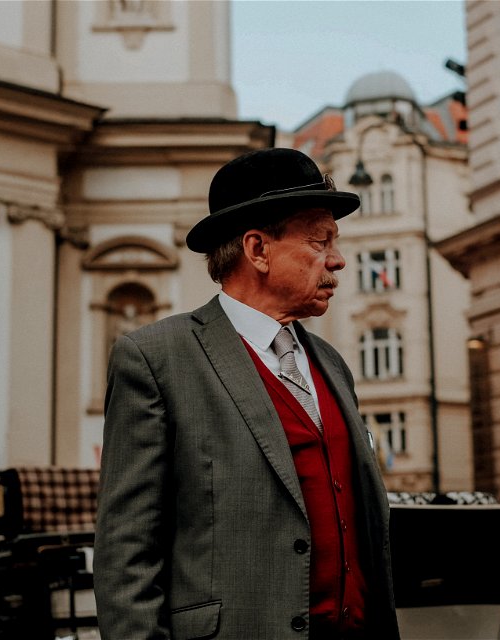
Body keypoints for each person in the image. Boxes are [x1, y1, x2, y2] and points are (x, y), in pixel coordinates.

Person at [94, 148, 400, 640]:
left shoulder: (333, 365)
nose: (338, 261)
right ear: (258, 250)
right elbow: (127, 552)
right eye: (320, 242)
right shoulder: (156, 359)